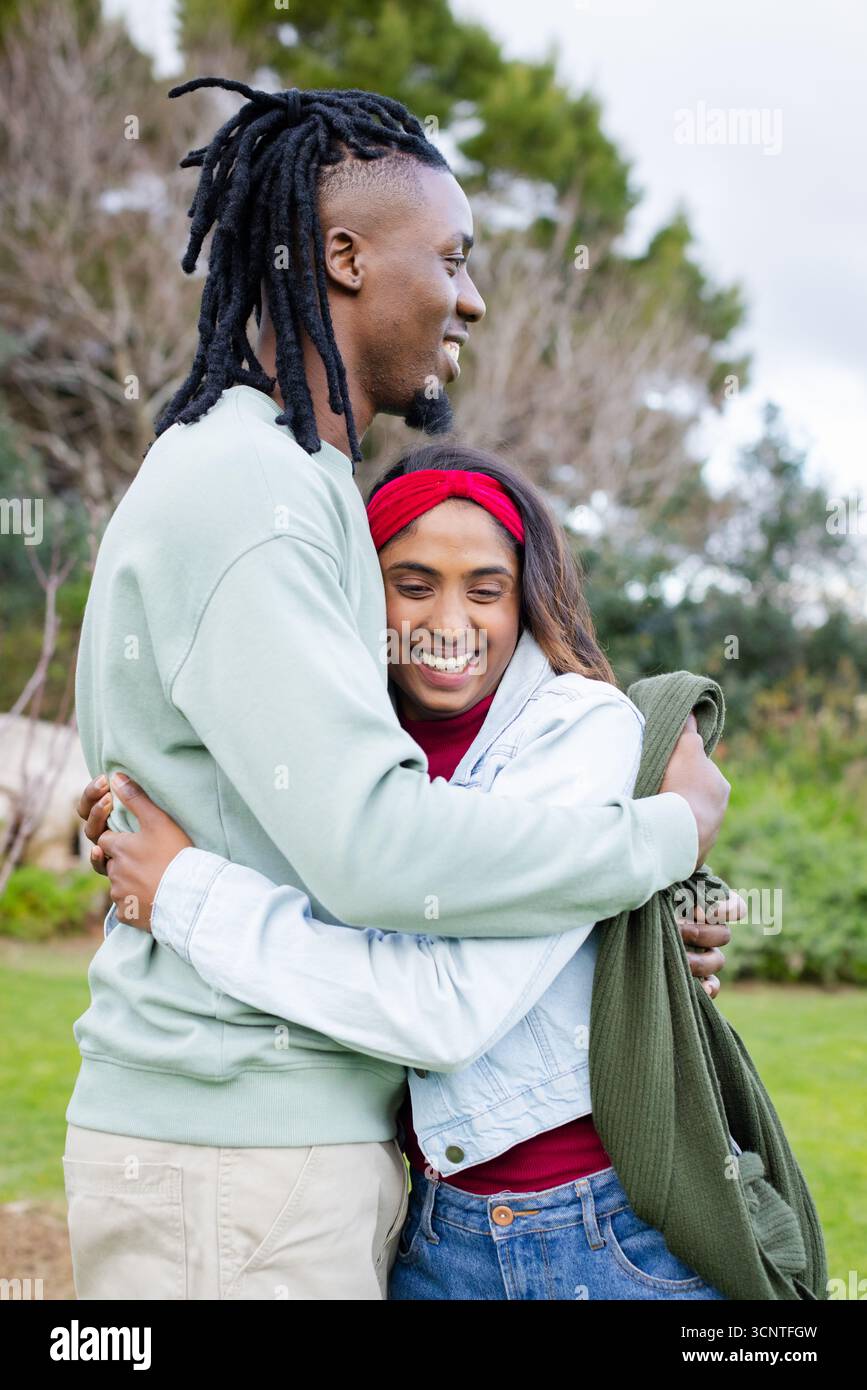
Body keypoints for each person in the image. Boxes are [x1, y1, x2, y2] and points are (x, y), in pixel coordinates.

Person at [66, 79, 731, 1301]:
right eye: (455, 257)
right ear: (344, 256)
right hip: (236, 1158)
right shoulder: (253, 491)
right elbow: (380, 850)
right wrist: (659, 835)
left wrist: (615, 931)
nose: (472, 296)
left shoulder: (287, 480)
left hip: (276, 1153)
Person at [78, 443, 741, 1300]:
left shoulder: (575, 730)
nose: (450, 622)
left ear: (526, 598)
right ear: (359, 592)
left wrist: (181, 891)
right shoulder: (340, 750)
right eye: (414, 584)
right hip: (428, 1227)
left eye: (487, 590)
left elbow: (441, 1011)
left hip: (589, 1232)